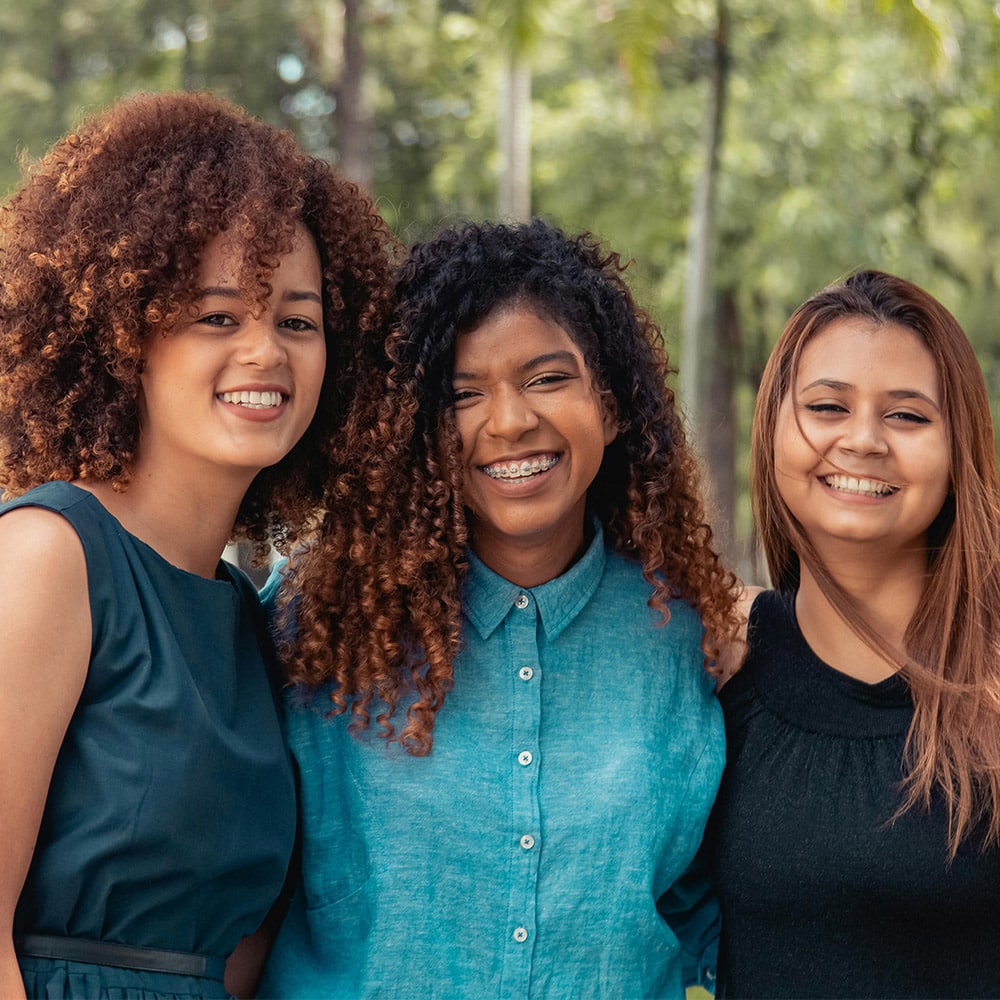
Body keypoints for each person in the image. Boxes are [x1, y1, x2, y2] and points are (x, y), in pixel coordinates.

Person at [260, 218, 741, 999]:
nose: (510, 421)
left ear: (612, 406)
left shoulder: (689, 638)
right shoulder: (313, 628)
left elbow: (707, 916)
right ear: (414, 431)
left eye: (548, 378)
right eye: (460, 394)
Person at [0, 91, 396, 999]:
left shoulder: (248, 622)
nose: (265, 352)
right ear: (121, 333)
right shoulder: (48, 558)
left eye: (297, 321)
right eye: (218, 316)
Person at [708, 270, 1000, 998]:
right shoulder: (711, 664)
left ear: (958, 449)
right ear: (773, 428)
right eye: (828, 406)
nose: (862, 440)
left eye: (907, 416)